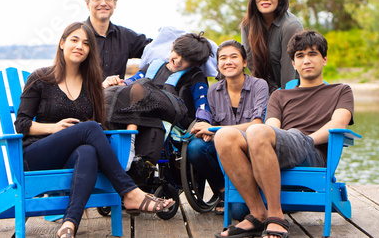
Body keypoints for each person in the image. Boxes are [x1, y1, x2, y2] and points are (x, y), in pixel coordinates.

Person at [14, 22, 174, 238]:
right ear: (62, 43)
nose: (80, 46)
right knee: (89, 128)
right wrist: (55, 129)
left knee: (88, 151)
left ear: (90, 51)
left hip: (71, 157)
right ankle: (129, 191)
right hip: (36, 155)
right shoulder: (41, 78)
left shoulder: (91, 86)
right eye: (74, 40)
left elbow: (98, 127)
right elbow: (22, 125)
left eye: (86, 43)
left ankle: (69, 225)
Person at [214, 30, 354, 238]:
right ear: (294, 64)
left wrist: (306, 140)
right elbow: (271, 127)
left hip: (311, 151)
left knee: (259, 131)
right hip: (281, 145)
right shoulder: (279, 95)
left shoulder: (341, 91)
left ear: (324, 59)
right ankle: (258, 213)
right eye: (300, 56)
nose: (306, 60)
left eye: (312, 54)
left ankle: (277, 217)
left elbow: (338, 123)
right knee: (224, 136)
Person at [103, 32, 214, 171]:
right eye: (178, 53)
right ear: (172, 47)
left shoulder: (195, 76)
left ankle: (129, 139)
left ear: (194, 64)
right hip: (146, 116)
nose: (178, 60)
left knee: (143, 86)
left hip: (175, 115)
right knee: (117, 92)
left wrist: (204, 121)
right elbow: (130, 83)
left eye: (186, 59)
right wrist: (116, 83)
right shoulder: (153, 66)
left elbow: (202, 104)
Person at [187, 40, 268, 216]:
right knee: (195, 147)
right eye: (222, 58)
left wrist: (215, 131)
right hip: (224, 151)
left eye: (233, 57)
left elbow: (257, 125)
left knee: (238, 214)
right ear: (218, 64)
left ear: (244, 62)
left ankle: (249, 192)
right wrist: (207, 130)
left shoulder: (259, 86)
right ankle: (223, 191)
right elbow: (214, 125)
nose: (228, 62)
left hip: (250, 149)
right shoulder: (213, 91)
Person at [241, 0, 303, 94]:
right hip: (265, 89)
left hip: (294, 90)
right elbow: (251, 64)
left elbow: (289, 75)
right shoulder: (247, 24)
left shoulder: (290, 26)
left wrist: (281, 99)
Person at [83, 0, 152, 81]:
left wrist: (138, 77)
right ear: (88, 4)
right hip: (83, 96)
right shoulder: (77, 36)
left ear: (114, 4)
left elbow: (155, 49)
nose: (103, 3)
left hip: (116, 96)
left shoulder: (125, 36)